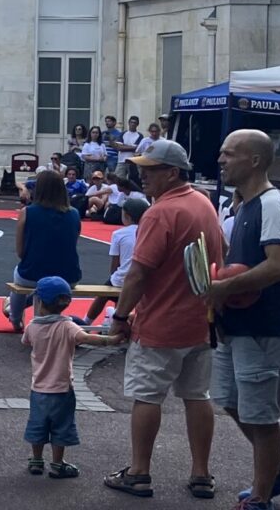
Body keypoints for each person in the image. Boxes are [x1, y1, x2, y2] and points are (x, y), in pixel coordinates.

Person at [105, 139, 219, 501]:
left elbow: (138, 273)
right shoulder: (203, 202)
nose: (143, 174)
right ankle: (201, 473)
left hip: (162, 321)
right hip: (202, 318)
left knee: (147, 396)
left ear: (172, 173)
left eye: (150, 169)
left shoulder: (159, 212)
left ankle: (139, 471)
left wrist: (121, 315)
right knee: (197, 395)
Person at [211, 129, 280, 510]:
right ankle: (277, 472)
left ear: (253, 160)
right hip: (238, 327)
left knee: (261, 416)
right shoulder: (243, 206)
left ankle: (261, 497)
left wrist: (222, 289)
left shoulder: (271, 205)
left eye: (228, 154)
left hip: (265, 328)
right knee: (231, 402)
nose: (220, 160)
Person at [23, 276, 124, 479]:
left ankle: (36, 460)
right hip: (62, 388)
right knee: (61, 426)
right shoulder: (67, 327)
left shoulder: (33, 326)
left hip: (39, 388)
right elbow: (86, 338)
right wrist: (111, 340)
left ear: (40, 302)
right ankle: (57, 463)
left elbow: (26, 342)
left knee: (37, 424)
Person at [5, 170, 82, 332]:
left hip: (32, 275)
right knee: (32, 277)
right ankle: (33, 314)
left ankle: (16, 318)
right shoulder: (74, 214)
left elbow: (20, 252)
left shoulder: (27, 212)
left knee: (18, 274)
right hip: (69, 277)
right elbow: (72, 244)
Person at [86, 198, 150, 323]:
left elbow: (115, 264)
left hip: (123, 279)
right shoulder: (148, 231)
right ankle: (114, 317)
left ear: (126, 215)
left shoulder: (119, 234)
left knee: (104, 293)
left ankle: (87, 321)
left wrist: (113, 276)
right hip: (145, 277)